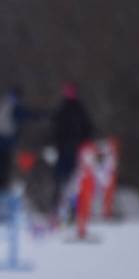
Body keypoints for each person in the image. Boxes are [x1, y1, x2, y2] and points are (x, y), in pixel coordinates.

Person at [50, 82, 95, 222]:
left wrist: (85, 143)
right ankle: (57, 210)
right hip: (64, 150)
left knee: (72, 182)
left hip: (74, 150)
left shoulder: (77, 108)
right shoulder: (63, 108)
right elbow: (54, 128)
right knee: (60, 181)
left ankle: (72, 211)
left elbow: (88, 127)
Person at [0, 86, 39, 193]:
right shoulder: (14, 106)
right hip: (5, 141)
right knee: (4, 167)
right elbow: (26, 115)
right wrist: (38, 115)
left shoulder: (1, 101)